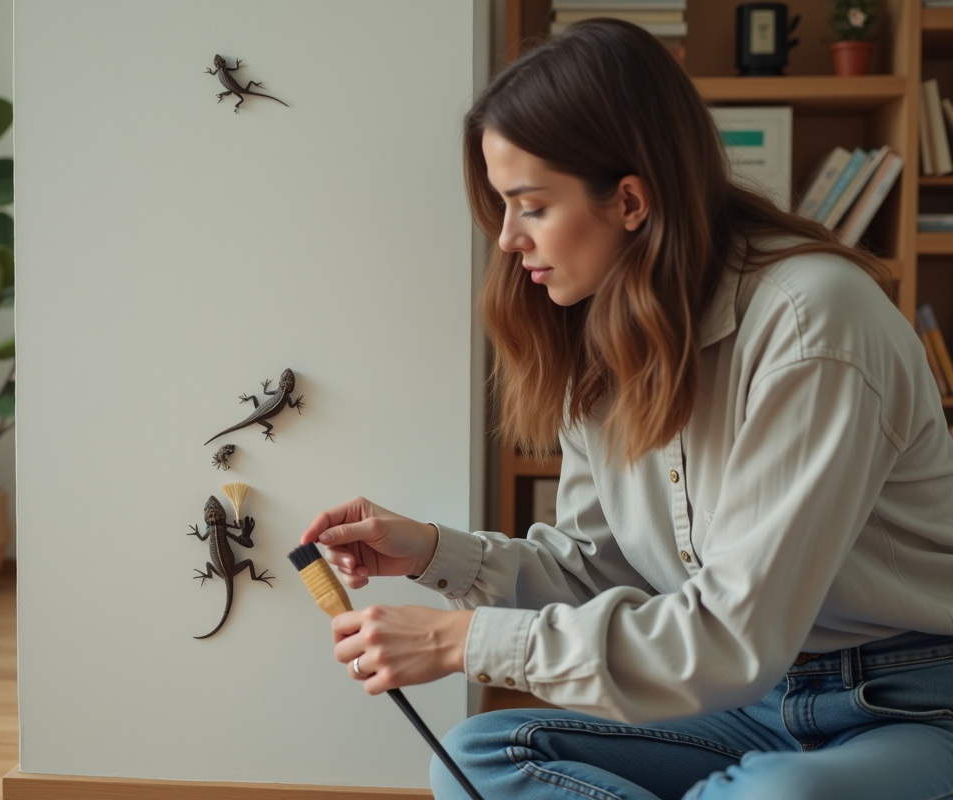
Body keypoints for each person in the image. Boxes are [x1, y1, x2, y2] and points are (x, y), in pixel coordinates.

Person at [298, 19, 953, 800]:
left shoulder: (813, 322)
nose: (506, 238)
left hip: (907, 706)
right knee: (477, 756)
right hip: (749, 706)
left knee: (779, 797)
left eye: (529, 206)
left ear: (632, 200)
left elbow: (729, 638)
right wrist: (436, 552)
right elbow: (599, 575)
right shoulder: (608, 335)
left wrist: (463, 640)